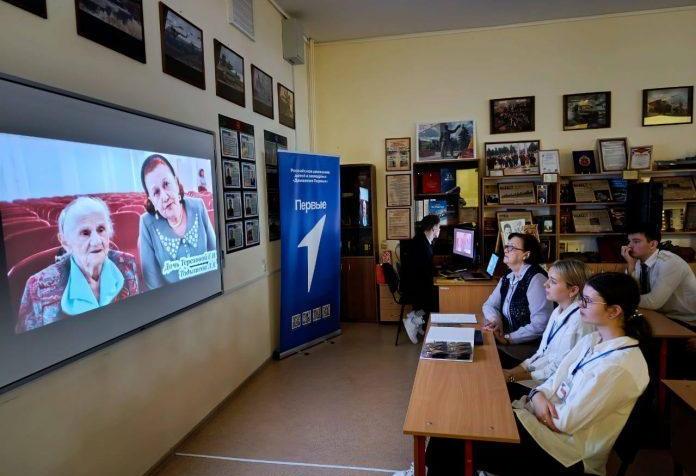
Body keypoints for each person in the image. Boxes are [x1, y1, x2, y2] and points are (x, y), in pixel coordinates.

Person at [425, 272, 651, 476]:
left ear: (614, 311)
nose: (580, 304)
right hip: (542, 421)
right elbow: (555, 380)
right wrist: (537, 395)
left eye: (587, 301)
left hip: (565, 452)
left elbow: (565, 422)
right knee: (455, 424)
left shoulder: (619, 367)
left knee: (451, 440)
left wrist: (537, 397)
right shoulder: (593, 340)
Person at [16, 197, 139, 333]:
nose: (96, 241)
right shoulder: (38, 287)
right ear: (65, 242)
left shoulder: (127, 264)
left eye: (101, 229)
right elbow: (32, 342)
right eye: (85, 233)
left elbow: (135, 318)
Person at [504, 259, 593, 397]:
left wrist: (512, 377)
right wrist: (510, 372)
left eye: (553, 281)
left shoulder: (579, 321)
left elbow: (560, 369)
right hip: (539, 376)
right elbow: (542, 354)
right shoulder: (558, 311)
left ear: (573, 290)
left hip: (552, 388)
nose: (545, 284)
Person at [138, 154, 217, 290]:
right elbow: (153, 283)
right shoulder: (146, 223)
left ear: (176, 182)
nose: (164, 196)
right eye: (156, 192)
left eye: (166, 184)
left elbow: (214, 254)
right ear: (151, 200)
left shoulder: (198, 206)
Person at [482, 233, 553, 364]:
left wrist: (509, 338)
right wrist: (495, 321)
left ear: (526, 254)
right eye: (506, 246)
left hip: (529, 349)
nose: (506, 250)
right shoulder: (508, 276)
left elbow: (540, 324)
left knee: (484, 357)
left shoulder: (536, 279)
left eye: (511, 248)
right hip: (507, 341)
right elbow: (489, 305)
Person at [620, 224, 695, 325]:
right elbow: (632, 292)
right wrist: (630, 265)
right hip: (661, 315)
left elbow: (653, 302)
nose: (629, 246)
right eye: (629, 241)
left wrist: (620, 299)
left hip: (686, 320)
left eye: (636, 241)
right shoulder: (637, 261)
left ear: (652, 244)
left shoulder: (669, 262)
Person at [401, 214, 440, 343]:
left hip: (415, 282)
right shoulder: (421, 245)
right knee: (436, 300)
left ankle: (415, 318)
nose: (440, 229)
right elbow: (424, 270)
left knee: (436, 293)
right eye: (439, 227)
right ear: (433, 228)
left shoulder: (422, 240)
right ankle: (413, 321)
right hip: (414, 287)